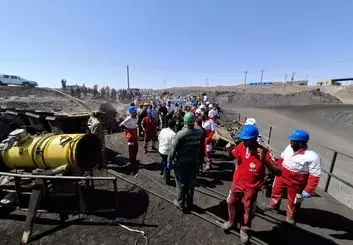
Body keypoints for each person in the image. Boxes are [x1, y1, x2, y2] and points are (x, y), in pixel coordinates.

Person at [222, 125, 281, 243]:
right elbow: (230, 157)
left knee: (248, 209)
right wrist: (228, 150)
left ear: (254, 139)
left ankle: (244, 229)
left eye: (246, 139)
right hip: (237, 184)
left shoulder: (264, 152)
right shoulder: (241, 146)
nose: (243, 141)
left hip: (251, 188)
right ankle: (231, 221)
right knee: (231, 203)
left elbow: (278, 172)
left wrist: (264, 160)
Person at [268, 129, 321, 224]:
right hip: (282, 176)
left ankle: (290, 216)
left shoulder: (312, 156)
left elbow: (315, 175)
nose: (290, 143)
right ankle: (274, 206)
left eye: (293, 141)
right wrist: (277, 168)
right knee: (276, 191)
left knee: (294, 201)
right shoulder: (289, 148)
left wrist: (309, 190)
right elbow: (282, 158)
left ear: (301, 143)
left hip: (296, 182)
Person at [167, 113, 204, 213]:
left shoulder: (180, 134)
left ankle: (180, 202)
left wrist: (169, 161)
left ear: (185, 122)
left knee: (180, 183)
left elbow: (173, 150)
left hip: (181, 164)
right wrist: (201, 160)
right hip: (194, 162)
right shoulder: (199, 132)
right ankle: (189, 202)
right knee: (191, 183)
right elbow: (201, 148)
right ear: (193, 122)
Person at [119, 106, 139, 173]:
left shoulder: (135, 117)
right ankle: (131, 161)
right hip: (131, 136)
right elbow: (121, 124)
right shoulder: (129, 118)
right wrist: (129, 129)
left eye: (135, 111)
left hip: (135, 134)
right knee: (131, 149)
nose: (136, 112)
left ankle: (134, 160)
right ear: (131, 112)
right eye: (134, 111)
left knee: (136, 148)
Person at [158, 119, 176, 185]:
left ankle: (162, 171)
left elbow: (159, 138)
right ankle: (167, 180)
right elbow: (174, 145)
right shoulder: (173, 134)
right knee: (168, 164)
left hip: (160, 150)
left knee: (163, 161)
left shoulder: (163, 130)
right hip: (167, 152)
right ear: (174, 126)